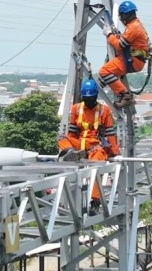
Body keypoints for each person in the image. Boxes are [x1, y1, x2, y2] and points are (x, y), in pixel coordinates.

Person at [57, 78, 119, 214]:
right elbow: (72, 133)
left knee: (95, 168)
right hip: (79, 145)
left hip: (95, 146)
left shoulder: (104, 111)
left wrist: (114, 152)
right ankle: (71, 153)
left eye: (90, 98)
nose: (89, 101)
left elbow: (110, 133)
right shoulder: (76, 109)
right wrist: (70, 147)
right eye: (87, 98)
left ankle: (95, 201)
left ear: (95, 97)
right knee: (62, 138)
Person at [97, 0, 152, 109]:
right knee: (106, 75)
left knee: (104, 71)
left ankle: (126, 96)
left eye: (122, 16)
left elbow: (118, 46)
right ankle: (101, 85)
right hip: (132, 59)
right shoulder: (135, 25)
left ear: (125, 15)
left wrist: (109, 35)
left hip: (132, 60)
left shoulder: (133, 28)